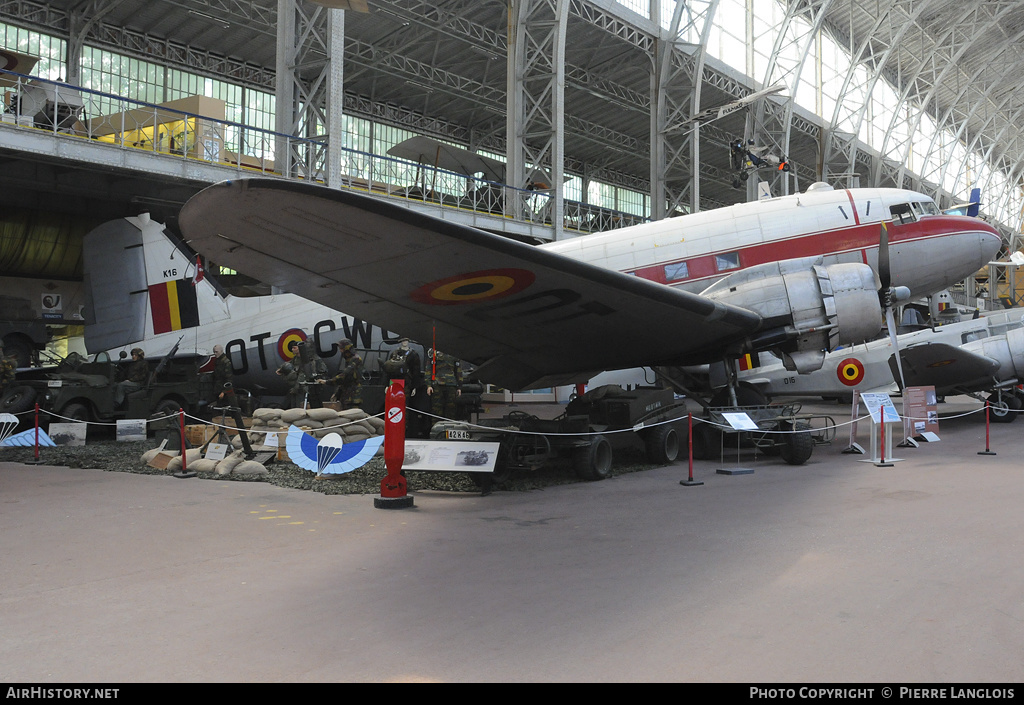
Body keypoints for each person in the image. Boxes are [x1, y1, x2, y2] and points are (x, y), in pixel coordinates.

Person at [383, 338, 427, 437]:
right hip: (394, 382)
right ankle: (394, 428)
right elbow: (388, 370)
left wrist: (415, 386)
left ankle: (404, 428)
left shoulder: (413, 355)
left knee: (404, 406)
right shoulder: (394, 353)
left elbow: (416, 371)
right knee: (393, 405)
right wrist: (386, 384)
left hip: (407, 383)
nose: (404, 342)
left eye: (406, 340)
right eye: (403, 340)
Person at [320, 339, 363, 409]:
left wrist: (327, 382)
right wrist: (337, 393)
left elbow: (345, 376)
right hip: (347, 394)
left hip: (353, 396)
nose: (340, 350)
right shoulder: (349, 360)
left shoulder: (355, 359)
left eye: (341, 348)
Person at [426, 348, 461, 420]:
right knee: (436, 410)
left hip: (451, 384)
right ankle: (436, 429)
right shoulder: (433, 352)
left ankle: (449, 428)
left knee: (451, 410)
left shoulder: (454, 353)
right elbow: (429, 370)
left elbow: (458, 371)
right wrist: (428, 385)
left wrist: (459, 387)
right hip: (437, 384)